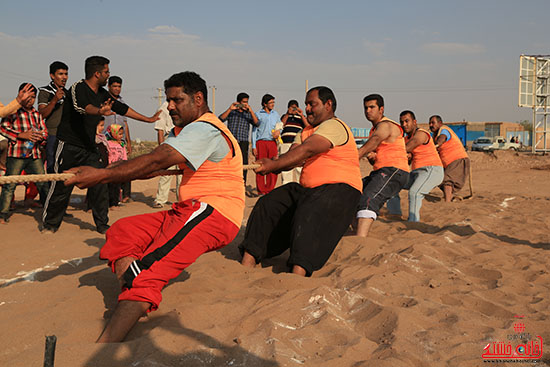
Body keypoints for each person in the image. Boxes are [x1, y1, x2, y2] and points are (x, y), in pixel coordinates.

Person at [65, 71, 245, 343]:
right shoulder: (190, 130)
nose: (169, 106)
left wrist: (100, 175)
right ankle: (137, 297)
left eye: (176, 100)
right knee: (123, 231)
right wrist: (108, 170)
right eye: (168, 100)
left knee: (144, 272)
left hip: (213, 212)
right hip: (189, 210)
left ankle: (106, 345)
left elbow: (156, 159)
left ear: (198, 99)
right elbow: (151, 166)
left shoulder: (205, 128)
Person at [239, 86, 362, 276]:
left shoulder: (334, 126)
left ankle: (298, 271)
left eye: (312, 104)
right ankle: (248, 260)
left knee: (311, 210)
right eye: (306, 105)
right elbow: (293, 157)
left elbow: (307, 150)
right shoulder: (306, 131)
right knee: (268, 203)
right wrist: (272, 163)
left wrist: (273, 165)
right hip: (310, 190)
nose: (307, 109)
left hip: (341, 190)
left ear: (328, 104)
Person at [41, 56, 160, 234]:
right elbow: (82, 108)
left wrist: (148, 119)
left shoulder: (103, 94)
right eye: (106, 72)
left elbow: (121, 108)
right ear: (97, 74)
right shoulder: (77, 88)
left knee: (99, 183)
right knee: (61, 186)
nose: (108, 75)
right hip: (67, 145)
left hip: (89, 148)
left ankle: (102, 224)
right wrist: (99, 111)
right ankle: (50, 225)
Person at [356, 94, 409, 237]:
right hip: (382, 171)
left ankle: (360, 239)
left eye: (372, 107)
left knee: (369, 198)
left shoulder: (386, 125)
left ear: (381, 109)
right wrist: (372, 157)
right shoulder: (374, 129)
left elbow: (376, 139)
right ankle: (354, 233)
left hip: (395, 170)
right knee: (354, 192)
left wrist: (355, 156)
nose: (368, 111)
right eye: (365, 108)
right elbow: (376, 150)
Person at [0, 83, 49, 223]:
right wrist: (22, 135)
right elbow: (3, 129)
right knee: (9, 185)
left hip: (34, 155)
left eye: (33, 97)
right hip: (16, 154)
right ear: (21, 95)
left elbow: (44, 131)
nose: (30, 99)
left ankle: (49, 212)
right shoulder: (12, 112)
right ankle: (3, 214)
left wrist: (40, 136)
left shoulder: (37, 115)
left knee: (42, 183)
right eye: (27, 96)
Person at [386, 110, 444, 222]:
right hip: (417, 173)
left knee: (415, 192)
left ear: (414, 122)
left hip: (431, 170)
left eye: (407, 121)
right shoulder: (406, 139)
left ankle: (413, 222)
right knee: (392, 183)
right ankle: (395, 214)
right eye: (401, 122)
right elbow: (405, 160)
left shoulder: (421, 133)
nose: (404, 124)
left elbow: (409, 146)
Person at [218, 92, 259, 183]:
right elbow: (220, 119)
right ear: (238, 102)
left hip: (243, 142)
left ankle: (242, 182)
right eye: (243, 102)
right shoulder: (232, 112)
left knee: (243, 163)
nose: (245, 104)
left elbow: (257, 123)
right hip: (231, 142)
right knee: (230, 162)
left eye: (247, 102)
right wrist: (230, 108)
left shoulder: (248, 114)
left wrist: (251, 110)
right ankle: (230, 181)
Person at [428, 115, 470, 202]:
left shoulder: (444, 130)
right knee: (439, 178)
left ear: (440, 123)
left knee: (447, 180)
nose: (431, 125)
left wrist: (437, 144)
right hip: (447, 163)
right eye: (430, 123)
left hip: (457, 159)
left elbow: (442, 138)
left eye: (433, 123)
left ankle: (447, 202)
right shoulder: (434, 136)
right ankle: (450, 196)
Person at [104, 76, 132, 202]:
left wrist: (128, 142)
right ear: (109, 86)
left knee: (123, 168)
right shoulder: (103, 102)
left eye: (119, 86)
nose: (117, 89)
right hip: (105, 142)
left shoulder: (123, 104)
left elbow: (125, 124)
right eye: (114, 86)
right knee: (104, 169)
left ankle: (124, 196)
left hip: (120, 143)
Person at [38, 61, 69, 173]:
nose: (64, 77)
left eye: (66, 74)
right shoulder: (45, 91)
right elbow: (41, 114)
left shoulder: (68, 93)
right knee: (51, 165)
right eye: (60, 74)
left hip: (66, 135)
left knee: (64, 166)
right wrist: (55, 100)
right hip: (52, 134)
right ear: (52, 75)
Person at [152, 101, 182, 208]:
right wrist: (161, 148)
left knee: (182, 173)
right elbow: (160, 129)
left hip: (183, 139)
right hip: (169, 138)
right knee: (167, 173)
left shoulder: (185, 104)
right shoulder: (164, 107)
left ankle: (182, 201)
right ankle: (160, 200)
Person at [252, 94, 281, 195]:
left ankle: (270, 189)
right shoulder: (258, 114)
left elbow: (280, 125)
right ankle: (261, 190)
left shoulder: (276, 114)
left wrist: (279, 131)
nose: (273, 104)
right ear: (265, 104)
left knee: (273, 165)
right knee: (260, 166)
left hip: (272, 143)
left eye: (273, 102)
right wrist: (254, 146)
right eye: (271, 103)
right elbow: (254, 131)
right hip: (261, 143)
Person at [278, 99, 308, 184]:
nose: (294, 110)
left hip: (298, 144)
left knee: (299, 167)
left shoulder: (301, 117)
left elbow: (308, 126)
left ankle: (300, 185)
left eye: (295, 108)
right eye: (292, 108)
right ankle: (286, 186)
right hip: (285, 144)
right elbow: (280, 126)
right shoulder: (284, 116)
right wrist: (288, 114)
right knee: (286, 167)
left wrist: (301, 115)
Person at [105, 124, 128, 207]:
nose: (121, 136)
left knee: (117, 186)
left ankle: (115, 202)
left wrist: (125, 164)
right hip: (110, 168)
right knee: (110, 186)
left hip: (119, 168)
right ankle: (109, 203)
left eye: (122, 134)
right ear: (113, 133)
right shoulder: (108, 143)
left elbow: (124, 155)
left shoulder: (121, 144)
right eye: (119, 134)